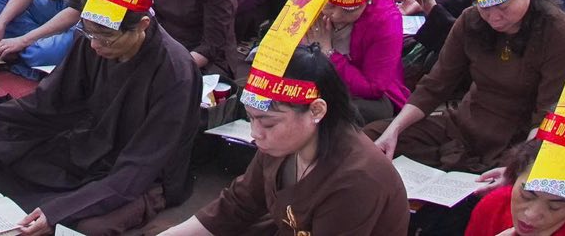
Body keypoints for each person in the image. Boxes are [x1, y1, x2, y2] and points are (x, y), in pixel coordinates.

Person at [0, 0, 203, 235]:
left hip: (139, 174)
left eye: (106, 39)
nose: (95, 46)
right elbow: (48, 103)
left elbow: (141, 165)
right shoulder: (93, 40)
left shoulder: (175, 71)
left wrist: (59, 211)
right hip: (87, 145)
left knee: (83, 226)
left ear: (142, 26)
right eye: (89, 34)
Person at [371, 0, 565, 174]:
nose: (495, 18)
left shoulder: (556, 30)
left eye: (504, 7)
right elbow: (435, 85)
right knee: (372, 140)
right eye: (485, 8)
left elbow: (548, 113)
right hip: (462, 128)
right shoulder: (471, 20)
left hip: (516, 142)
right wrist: (394, 130)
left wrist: (521, 168)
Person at [156, 47, 408, 236]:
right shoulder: (282, 142)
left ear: (317, 111)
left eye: (267, 123)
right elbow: (238, 204)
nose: (255, 133)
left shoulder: (357, 179)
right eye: (251, 119)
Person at [463, 136, 565, 236]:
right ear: (516, 175)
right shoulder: (493, 207)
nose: (531, 214)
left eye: (555, 206)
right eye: (526, 195)